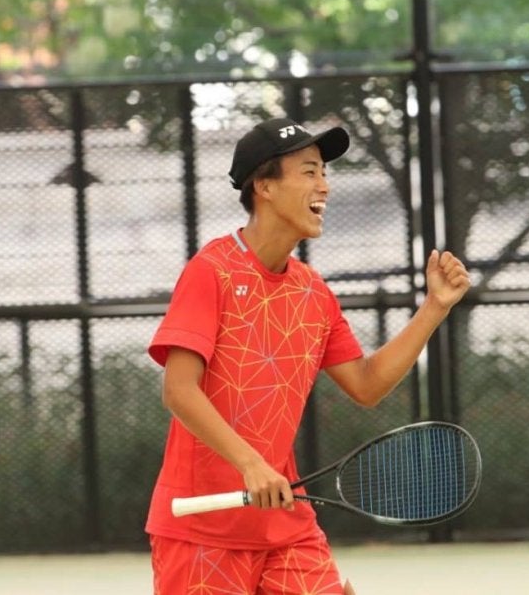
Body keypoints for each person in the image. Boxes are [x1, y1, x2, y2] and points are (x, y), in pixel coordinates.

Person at [145, 117, 471, 595]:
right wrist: (252, 465)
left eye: (324, 172)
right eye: (309, 172)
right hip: (202, 529)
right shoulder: (211, 271)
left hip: (286, 525)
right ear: (264, 187)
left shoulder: (313, 292)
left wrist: (435, 307)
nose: (325, 186)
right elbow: (178, 390)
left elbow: (366, 385)